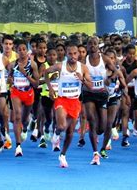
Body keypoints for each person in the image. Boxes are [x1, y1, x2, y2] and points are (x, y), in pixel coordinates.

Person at [45, 42, 93, 168]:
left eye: (75, 53)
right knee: (61, 125)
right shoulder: (61, 66)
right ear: (66, 54)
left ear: (78, 54)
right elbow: (46, 72)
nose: (73, 56)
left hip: (75, 101)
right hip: (61, 99)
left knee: (70, 132)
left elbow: (91, 86)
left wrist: (82, 79)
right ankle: (56, 135)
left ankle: (63, 155)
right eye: (70, 53)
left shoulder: (83, 68)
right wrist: (50, 88)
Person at [83, 36, 117, 165]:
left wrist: (110, 79)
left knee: (102, 128)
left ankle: (98, 135)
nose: (92, 46)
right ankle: (95, 153)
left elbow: (115, 72)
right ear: (87, 46)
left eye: (95, 43)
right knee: (91, 120)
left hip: (102, 94)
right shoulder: (84, 60)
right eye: (90, 43)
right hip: (88, 93)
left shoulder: (104, 59)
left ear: (98, 46)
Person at [7, 39, 39, 157]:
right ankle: (18, 146)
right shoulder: (12, 65)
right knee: (17, 117)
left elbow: (36, 84)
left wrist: (25, 74)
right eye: (19, 50)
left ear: (27, 50)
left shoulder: (33, 64)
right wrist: (9, 80)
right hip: (16, 92)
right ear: (16, 51)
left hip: (29, 93)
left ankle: (25, 127)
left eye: (24, 49)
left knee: (24, 119)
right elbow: (9, 79)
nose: (21, 52)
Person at [100, 49, 126, 158]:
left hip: (113, 98)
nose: (110, 60)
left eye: (112, 58)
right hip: (101, 99)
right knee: (102, 125)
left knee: (109, 123)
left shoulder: (118, 71)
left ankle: (103, 148)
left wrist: (125, 93)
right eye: (108, 58)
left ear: (115, 60)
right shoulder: (100, 70)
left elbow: (124, 84)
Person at [38, 46, 59, 149]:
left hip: (57, 96)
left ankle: (55, 137)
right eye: (50, 55)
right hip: (45, 94)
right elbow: (38, 81)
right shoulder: (43, 66)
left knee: (56, 117)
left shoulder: (60, 66)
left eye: (54, 55)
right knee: (47, 118)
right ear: (46, 55)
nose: (52, 57)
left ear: (57, 56)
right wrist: (50, 78)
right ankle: (44, 133)